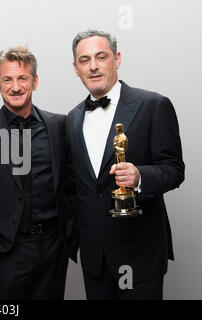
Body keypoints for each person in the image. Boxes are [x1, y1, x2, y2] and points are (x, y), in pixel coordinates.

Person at [66, 30, 185, 299]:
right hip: (95, 259)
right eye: (84, 60)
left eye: (101, 57)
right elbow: (75, 187)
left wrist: (140, 176)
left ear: (116, 59)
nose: (93, 66)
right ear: (76, 68)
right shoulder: (72, 119)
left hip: (140, 254)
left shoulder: (154, 105)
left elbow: (174, 169)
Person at [0, 46, 78, 299]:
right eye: (7, 79)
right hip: (8, 250)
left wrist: (68, 237)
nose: (15, 87)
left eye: (22, 78)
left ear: (35, 81)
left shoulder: (59, 125)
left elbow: (72, 185)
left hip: (53, 246)